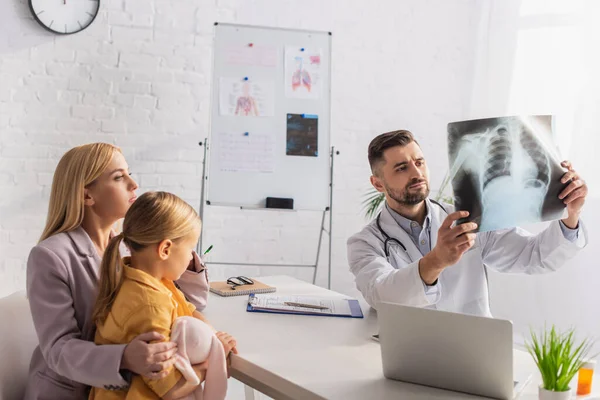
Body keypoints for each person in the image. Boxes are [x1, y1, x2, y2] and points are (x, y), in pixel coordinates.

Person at [25, 143, 237, 399]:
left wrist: (184, 248)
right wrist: (124, 357)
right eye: (118, 177)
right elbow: (58, 350)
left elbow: (189, 305)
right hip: (71, 392)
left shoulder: (130, 248)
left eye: (129, 173)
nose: (133, 183)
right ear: (87, 196)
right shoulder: (50, 256)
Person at [347, 130, 588, 317]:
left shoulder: (468, 219)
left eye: (419, 162)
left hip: (476, 350)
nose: (416, 173)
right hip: (414, 356)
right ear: (378, 184)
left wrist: (571, 215)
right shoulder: (365, 244)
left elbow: (533, 256)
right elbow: (382, 296)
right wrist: (437, 260)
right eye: (402, 168)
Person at [89, 191, 229, 399]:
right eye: (190, 248)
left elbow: (188, 309)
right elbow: (170, 389)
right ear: (165, 249)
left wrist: (214, 335)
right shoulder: (149, 306)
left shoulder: (149, 279)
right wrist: (211, 362)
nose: (192, 256)